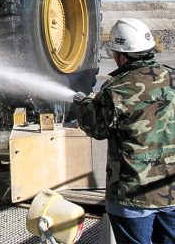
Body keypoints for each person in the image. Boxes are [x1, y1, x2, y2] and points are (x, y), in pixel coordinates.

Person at [73, 18, 175, 244]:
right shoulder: (173, 77)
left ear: (123, 56)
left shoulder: (115, 89)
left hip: (132, 195)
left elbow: (96, 128)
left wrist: (84, 106)